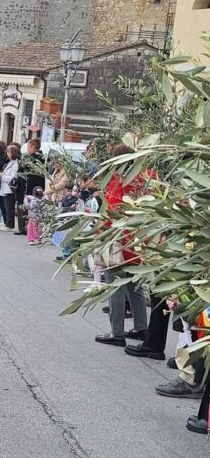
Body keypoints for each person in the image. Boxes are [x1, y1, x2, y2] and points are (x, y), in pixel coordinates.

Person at [95, 145, 149, 348]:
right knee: (135, 286)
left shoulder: (119, 180)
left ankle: (116, 332)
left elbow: (113, 209)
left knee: (115, 286)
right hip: (140, 239)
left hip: (119, 238)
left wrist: (100, 231)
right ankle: (141, 326)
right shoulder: (145, 177)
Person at [0, 144, 20, 232]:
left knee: (9, 207)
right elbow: (6, 174)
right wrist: (0, 174)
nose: (7, 153)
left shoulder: (15, 164)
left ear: (13, 153)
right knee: (2, 204)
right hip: (4, 187)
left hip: (9, 189)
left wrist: (2, 176)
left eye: (9, 152)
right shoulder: (10, 162)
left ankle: (9, 225)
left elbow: (12, 177)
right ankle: (6, 221)